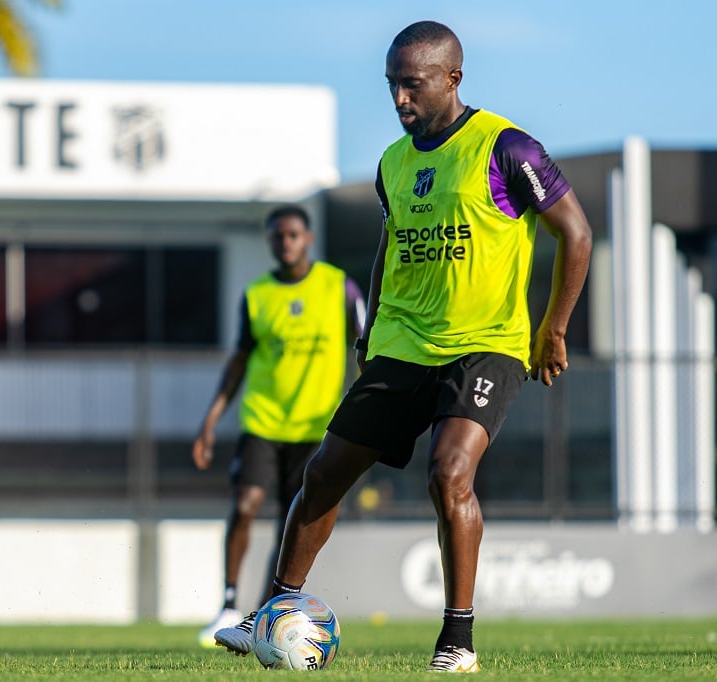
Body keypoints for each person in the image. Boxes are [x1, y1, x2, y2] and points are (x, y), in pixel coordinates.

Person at [215, 21, 592, 672]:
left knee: (449, 474)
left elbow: (576, 234)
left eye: (411, 85)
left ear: (453, 79)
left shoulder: (507, 148)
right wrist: (372, 330)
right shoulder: (394, 162)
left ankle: (458, 640)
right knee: (324, 474)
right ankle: (272, 612)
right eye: (391, 85)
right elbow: (392, 246)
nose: (398, 100)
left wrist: (552, 327)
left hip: (485, 346)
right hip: (400, 347)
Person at [193, 204, 364, 647]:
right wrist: (211, 420)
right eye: (277, 236)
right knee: (246, 504)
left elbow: (366, 346)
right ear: (270, 242)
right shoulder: (256, 295)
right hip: (264, 422)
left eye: (292, 235)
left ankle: (269, 611)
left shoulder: (339, 287)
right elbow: (238, 360)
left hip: (316, 428)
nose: (285, 242)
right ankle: (228, 604)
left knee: (291, 523)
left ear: (307, 238)